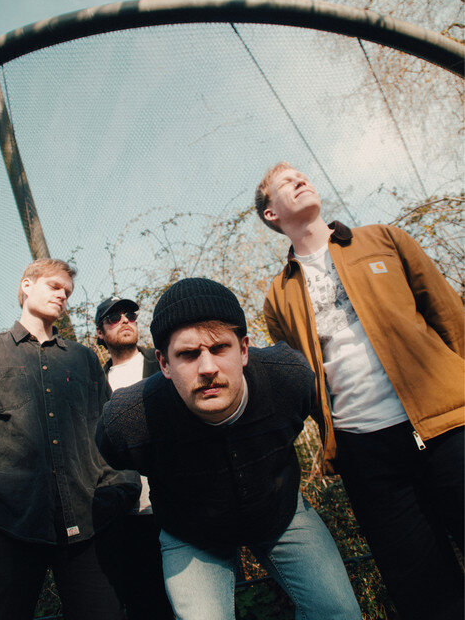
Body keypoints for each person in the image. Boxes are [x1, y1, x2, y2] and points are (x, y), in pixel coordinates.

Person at [254, 161, 464, 620]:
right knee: (425, 594)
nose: (301, 179)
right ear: (271, 213)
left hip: (447, 425)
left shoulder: (384, 239)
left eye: (302, 174)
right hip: (365, 454)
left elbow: (450, 317)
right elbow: (301, 379)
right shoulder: (277, 296)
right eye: (286, 182)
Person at [96, 277, 362, 620]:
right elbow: (112, 452)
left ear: (244, 349)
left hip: (278, 510)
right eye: (188, 354)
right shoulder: (130, 418)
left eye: (220, 348)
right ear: (163, 363)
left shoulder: (287, 378)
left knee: (338, 612)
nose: (208, 368)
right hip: (191, 532)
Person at [0, 259, 140, 620]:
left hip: (87, 529)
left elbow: (109, 438)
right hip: (4, 529)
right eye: (54, 286)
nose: (63, 295)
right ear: (27, 285)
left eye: (67, 292)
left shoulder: (83, 360)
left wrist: (117, 494)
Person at [95, 295, 174, 620]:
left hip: (179, 508)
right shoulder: (94, 384)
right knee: (148, 608)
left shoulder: (165, 365)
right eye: (114, 317)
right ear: (100, 333)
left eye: (130, 314)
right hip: (127, 520)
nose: (125, 320)